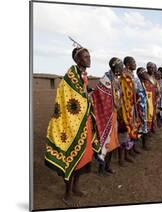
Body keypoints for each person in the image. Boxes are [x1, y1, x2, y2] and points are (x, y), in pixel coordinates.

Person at [45, 47, 100, 206]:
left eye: (89, 56)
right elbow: (69, 99)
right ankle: (67, 193)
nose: (89, 59)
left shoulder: (82, 75)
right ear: (77, 60)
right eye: (85, 57)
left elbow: (82, 94)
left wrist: (88, 93)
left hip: (84, 122)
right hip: (73, 125)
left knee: (83, 158)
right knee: (73, 158)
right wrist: (87, 98)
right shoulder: (71, 76)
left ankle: (76, 187)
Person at [91, 57, 123, 175]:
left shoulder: (116, 79)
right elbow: (98, 96)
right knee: (105, 142)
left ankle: (107, 166)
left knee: (112, 143)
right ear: (115, 66)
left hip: (113, 114)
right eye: (121, 66)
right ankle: (101, 169)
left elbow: (118, 96)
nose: (123, 68)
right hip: (106, 116)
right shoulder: (105, 79)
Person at [118, 56, 141, 164]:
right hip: (124, 109)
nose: (135, 64)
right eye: (133, 62)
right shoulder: (123, 77)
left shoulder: (131, 76)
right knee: (123, 132)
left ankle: (127, 153)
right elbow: (122, 94)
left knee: (130, 130)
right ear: (127, 65)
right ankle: (121, 158)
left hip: (132, 107)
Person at [136, 67, 150, 150]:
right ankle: (134, 147)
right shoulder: (137, 82)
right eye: (145, 73)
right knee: (138, 127)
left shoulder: (143, 83)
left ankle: (144, 145)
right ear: (140, 74)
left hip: (143, 108)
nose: (146, 75)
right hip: (138, 109)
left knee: (144, 127)